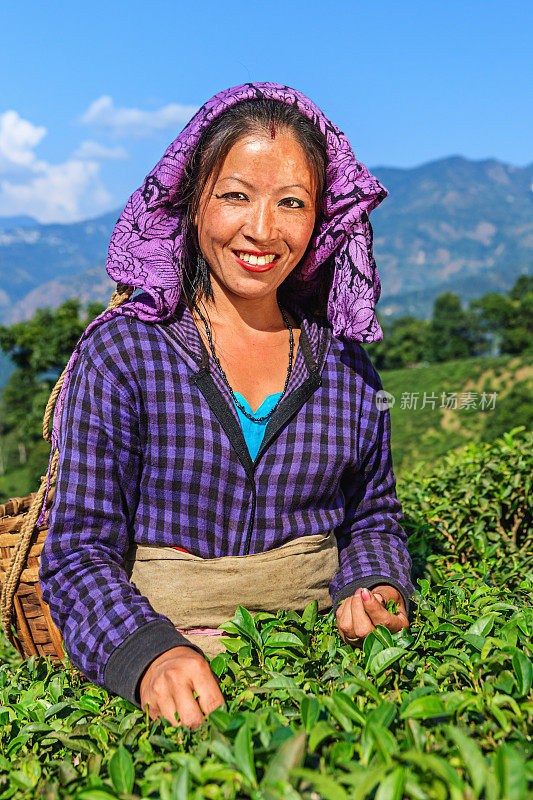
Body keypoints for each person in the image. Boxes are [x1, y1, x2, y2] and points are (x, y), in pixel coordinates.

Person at [38, 82, 415, 730]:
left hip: (319, 671)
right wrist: (149, 657)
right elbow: (76, 553)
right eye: (235, 196)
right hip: (162, 689)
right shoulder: (126, 353)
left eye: (290, 203)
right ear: (191, 204)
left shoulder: (348, 369)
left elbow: (372, 519)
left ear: (320, 218)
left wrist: (372, 584)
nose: (261, 230)